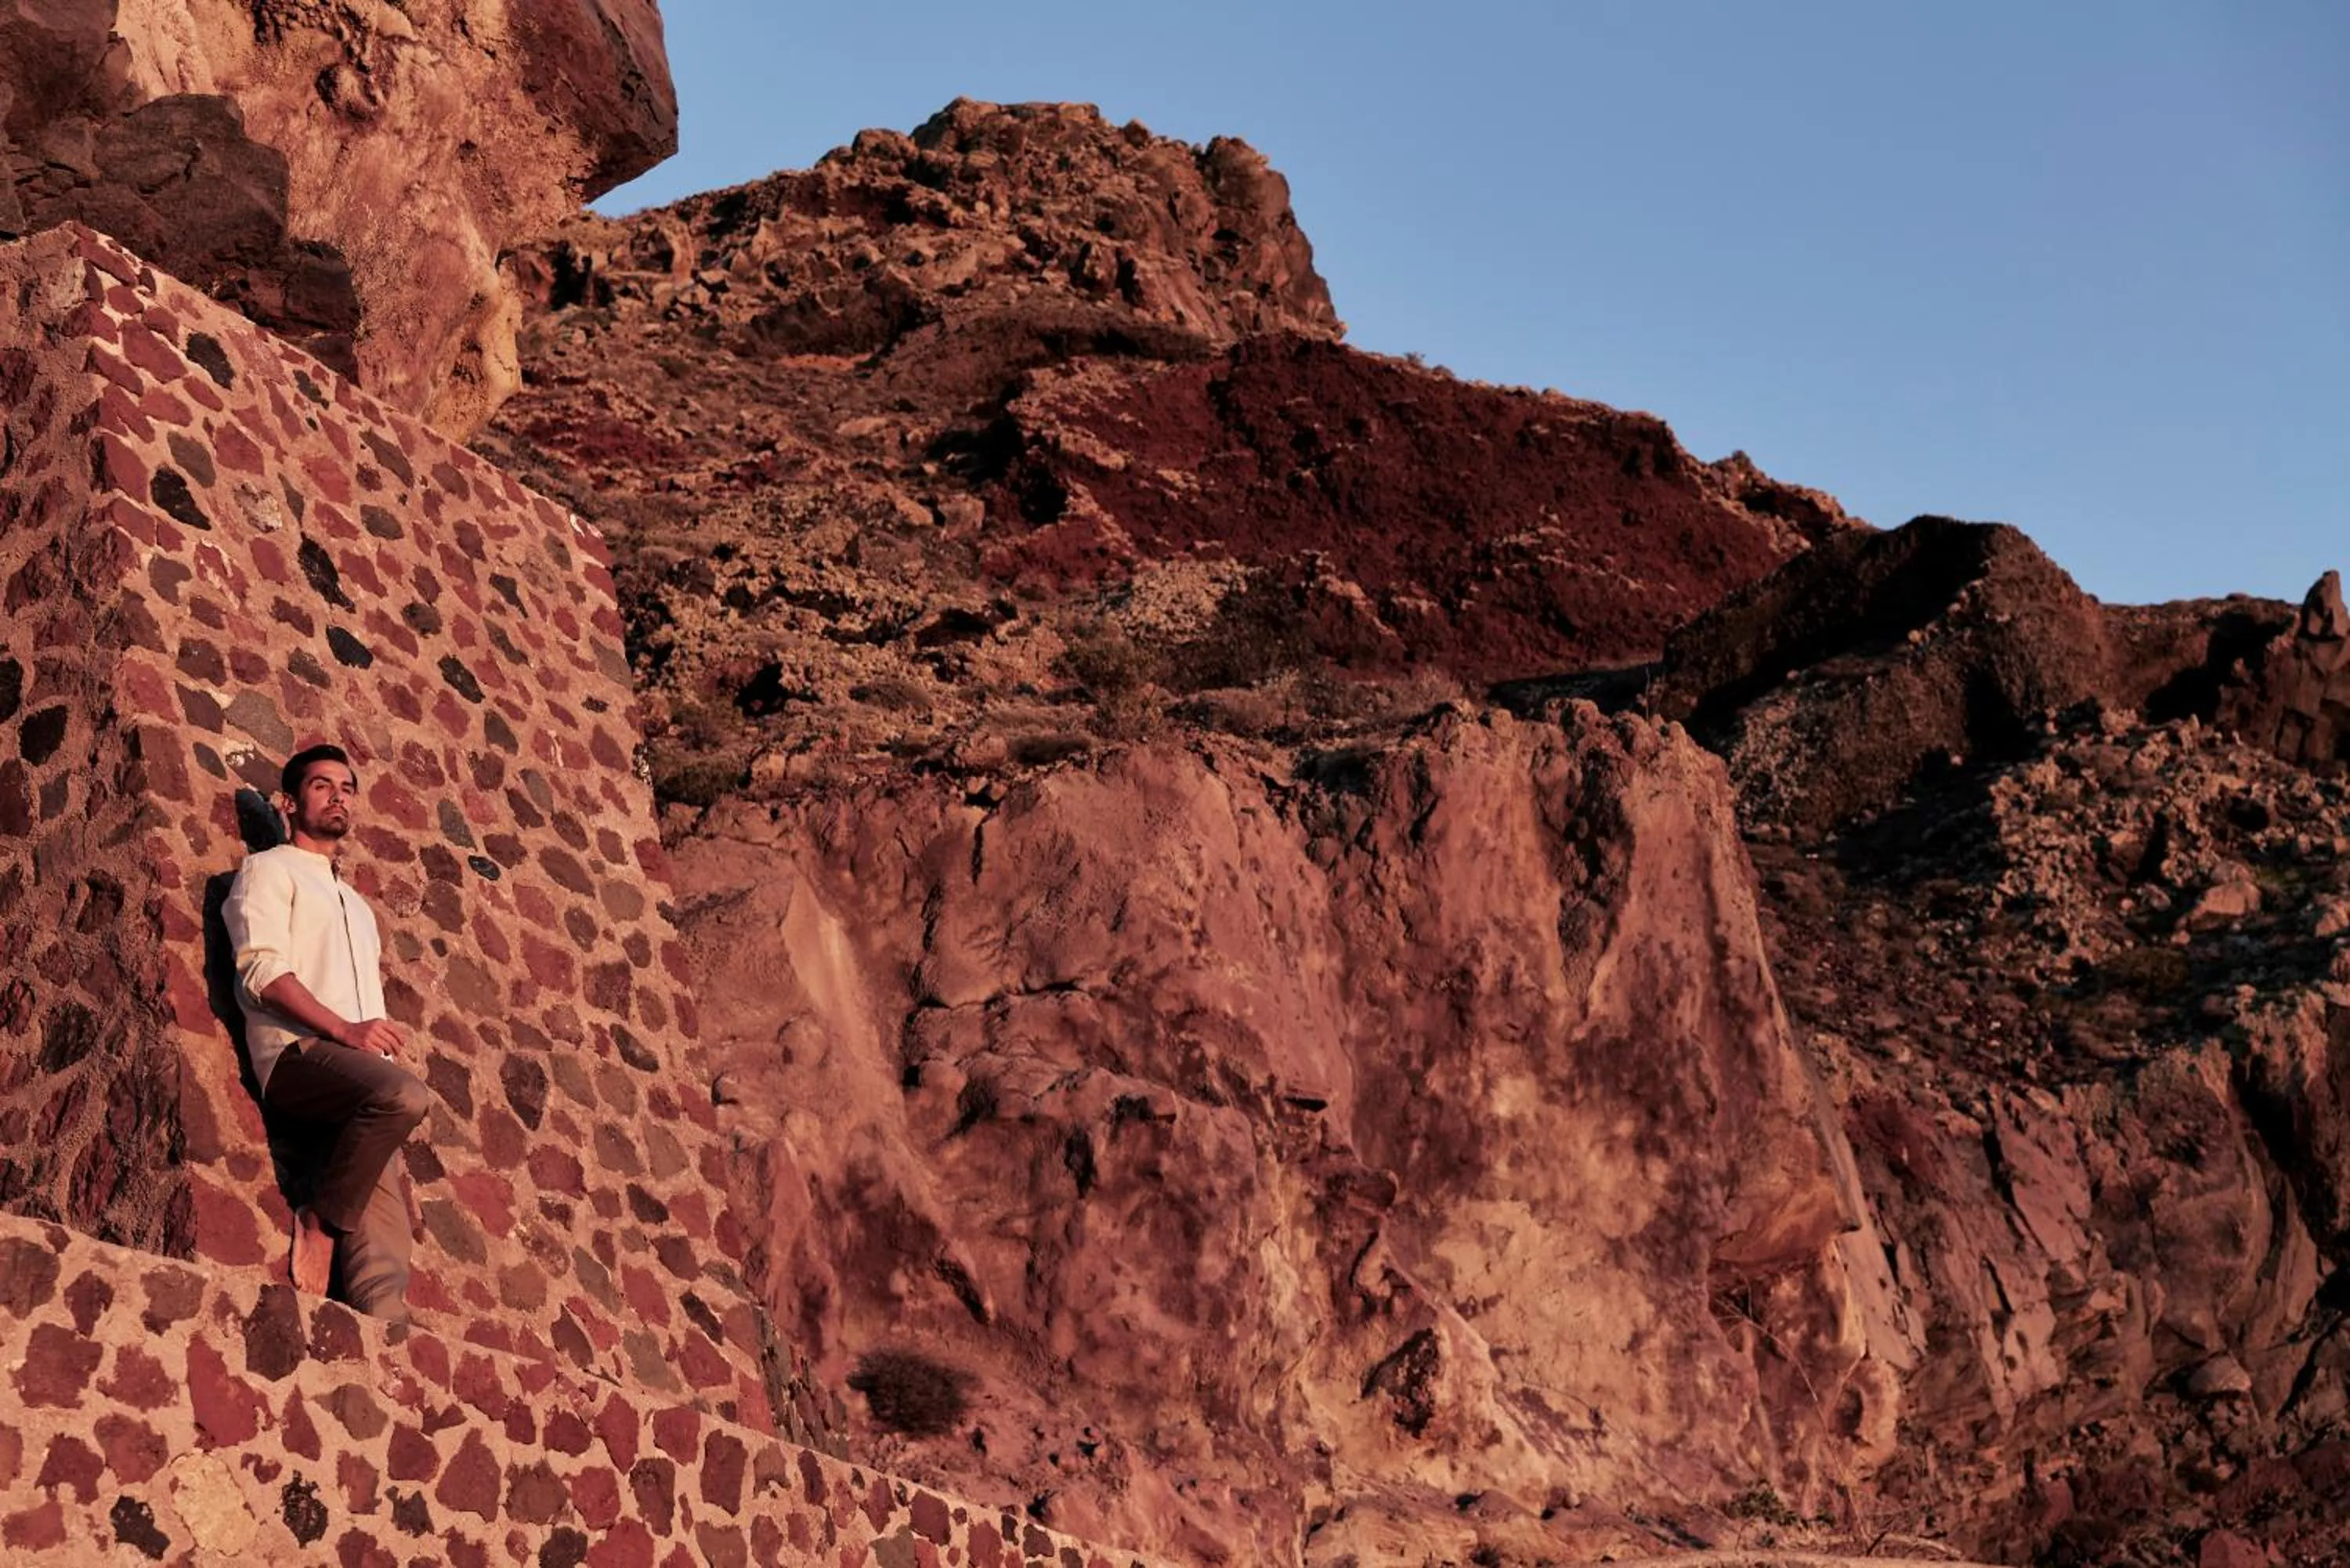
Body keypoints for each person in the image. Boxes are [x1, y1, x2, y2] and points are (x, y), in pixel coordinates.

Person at [222, 743, 431, 1322]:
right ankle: (318, 1220)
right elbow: (261, 971)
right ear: (289, 803)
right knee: (405, 1095)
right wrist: (345, 1029)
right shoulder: (267, 871)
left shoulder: (358, 907)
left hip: (360, 1085)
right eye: (322, 786)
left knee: (386, 1278)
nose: (338, 796)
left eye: (347, 787)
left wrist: (372, 1044)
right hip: (298, 1057)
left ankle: (376, 1378)